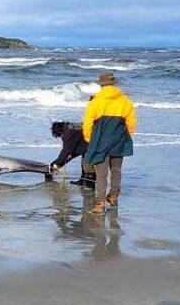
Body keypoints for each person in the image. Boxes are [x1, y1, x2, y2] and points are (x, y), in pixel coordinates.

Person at [83, 72, 136, 214]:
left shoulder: (95, 101)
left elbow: (87, 123)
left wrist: (89, 139)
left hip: (100, 140)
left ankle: (100, 203)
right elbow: (131, 123)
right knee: (116, 171)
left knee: (101, 174)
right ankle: (113, 197)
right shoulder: (126, 101)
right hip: (119, 139)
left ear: (101, 85)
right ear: (114, 84)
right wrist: (126, 136)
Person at [49, 121, 95, 188]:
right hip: (87, 143)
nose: (60, 137)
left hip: (91, 145)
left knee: (87, 166)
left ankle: (90, 184)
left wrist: (57, 163)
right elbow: (71, 148)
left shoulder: (68, 133)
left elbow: (65, 151)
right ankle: (82, 181)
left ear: (59, 131)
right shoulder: (70, 127)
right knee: (83, 164)